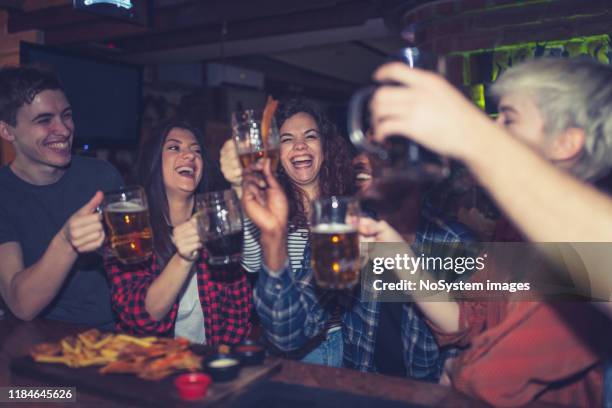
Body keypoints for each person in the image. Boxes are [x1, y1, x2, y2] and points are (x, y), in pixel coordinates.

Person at [368, 57, 612, 406]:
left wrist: (457, 367)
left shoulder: (587, 248)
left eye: (509, 118)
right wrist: (392, 249)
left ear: (565, 143)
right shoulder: (513, 228)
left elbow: (487, 378)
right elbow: (464, 319)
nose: (495, 128)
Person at [104, 119, 251, 344]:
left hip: (211, 366)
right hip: (151, 366)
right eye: (174, 147)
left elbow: (239, 311)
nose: (190, 156)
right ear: (154, 160)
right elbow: (142, 317)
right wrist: (183, 258)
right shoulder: (130, 230)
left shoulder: (217, 225)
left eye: (196, 151)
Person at [0, 66, 122, 328]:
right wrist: (67, 241)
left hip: (117, 334)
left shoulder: (102, 176)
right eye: (44, 120)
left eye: (66, 116)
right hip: (43, 343)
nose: (64, 130)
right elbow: (20, 304)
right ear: (8, 132)